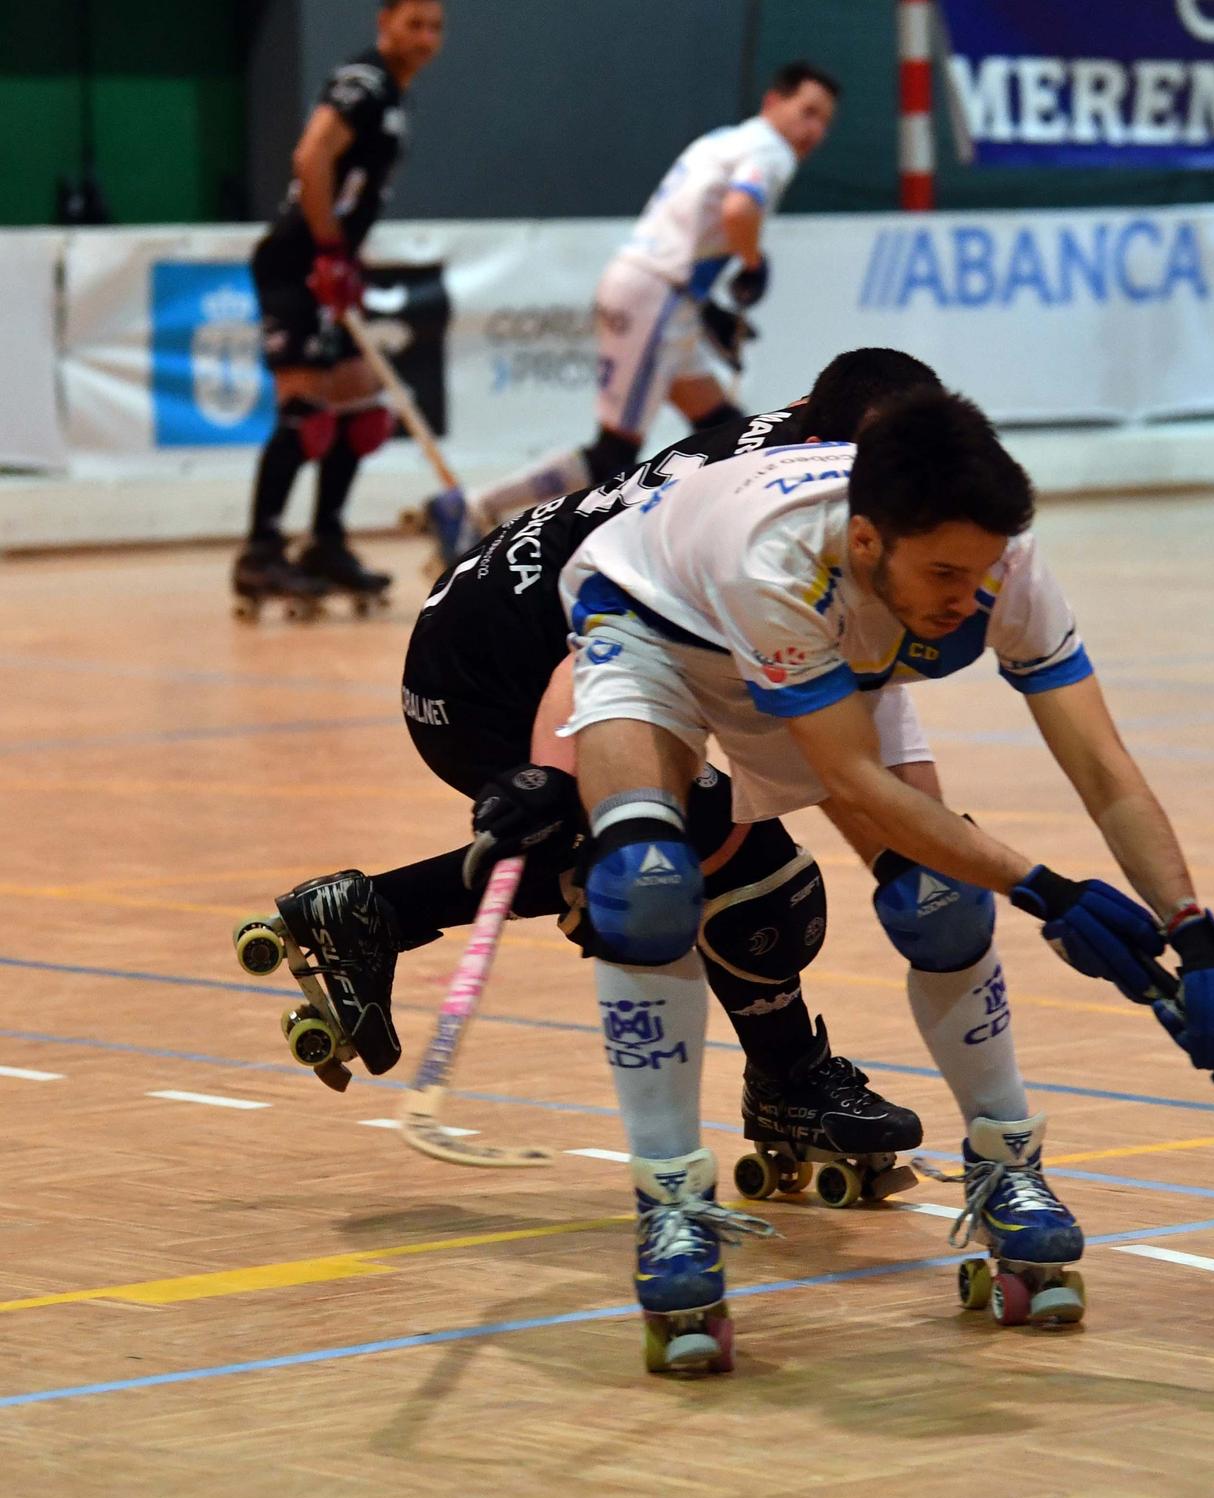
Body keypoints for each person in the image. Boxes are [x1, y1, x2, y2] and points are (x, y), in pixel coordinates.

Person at [554, 388, 1214, 1372]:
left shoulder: (989, 565)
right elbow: (851, 780)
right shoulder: (778, 560)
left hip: (838, 648)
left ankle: (1008, 1164)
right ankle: (670, 1200)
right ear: (862, 541)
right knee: (644, 887)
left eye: (982, 575)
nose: (966, 600)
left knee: (937, 902)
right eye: (942, 572)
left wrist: (1193, 932)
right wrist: (1050, 891)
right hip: (659, 630)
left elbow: (1102, 765)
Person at [239, 350, 945, 1203]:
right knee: (730, 877)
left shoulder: (797, 460)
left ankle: (372, 915)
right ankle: (791, 1084)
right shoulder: (779, 519)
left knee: (692, 855)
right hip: (497, 675)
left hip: (511, 634)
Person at [418, 61, 841, 559]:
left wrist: (705, 308)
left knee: (726, 426)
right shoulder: (771, 152)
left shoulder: (724, 140)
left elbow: (690, 223)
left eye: (824, 122)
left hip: (658, 289)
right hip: (657, 294)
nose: (813, 130)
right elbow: (738, 209)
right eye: (807, 112)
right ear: (774, 103)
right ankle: (473, 507)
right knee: (614, 453)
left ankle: (739, 538)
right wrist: (753, 264)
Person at [232, 0, 444, 608]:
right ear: (385, 25)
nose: (425, 38)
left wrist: (346, 255)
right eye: (414, 24)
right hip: (296, 263)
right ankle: (260, 554)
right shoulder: (365, 84)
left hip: (331, 264)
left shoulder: (392, 98)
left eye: (435, 27)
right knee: (304, 411)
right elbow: (311, 155)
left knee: (361, 410)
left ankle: (325, 540)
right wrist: (327, 248)